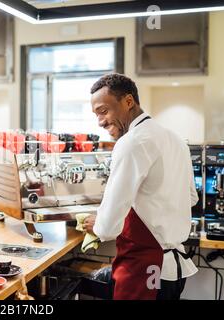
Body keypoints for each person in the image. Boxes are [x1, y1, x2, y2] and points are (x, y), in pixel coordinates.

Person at [83, 73, 199, 300]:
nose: (100, 121)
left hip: (147, 269)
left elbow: (107, 228)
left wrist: (98, 223)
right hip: (173, 273)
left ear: (128, 102)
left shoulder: (131, 142)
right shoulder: (176, 140)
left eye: (103, 111)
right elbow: (191, 198)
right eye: (96, 115)